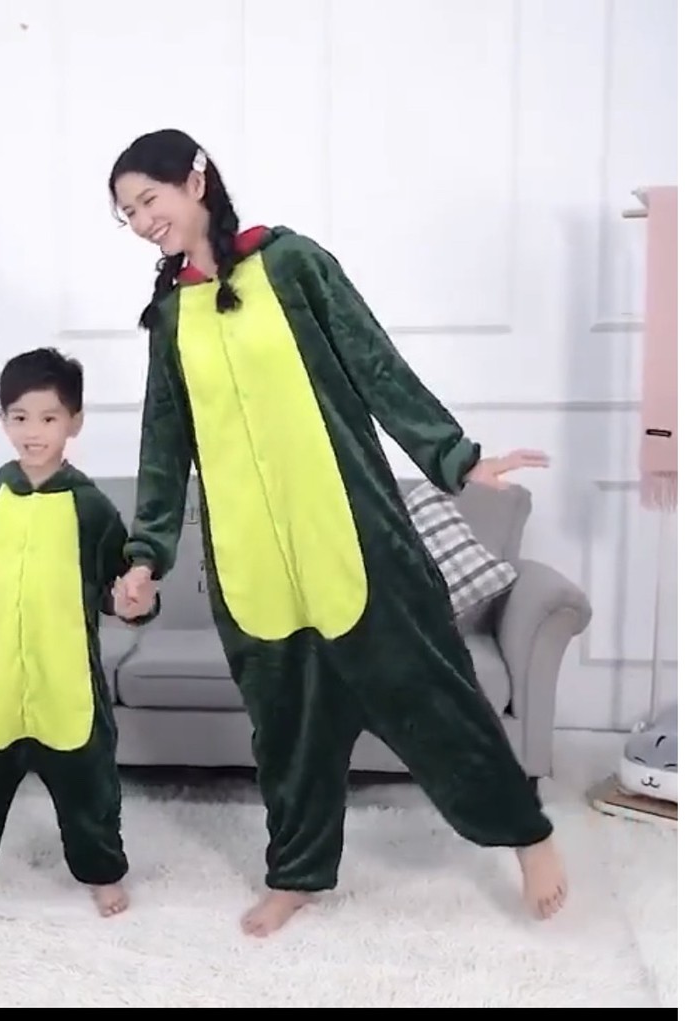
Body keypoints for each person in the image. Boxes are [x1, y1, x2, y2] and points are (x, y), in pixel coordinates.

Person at [107, 128, 568, 938]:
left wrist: (457, 458)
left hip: (353, 538)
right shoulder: (172, 314)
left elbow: (374, 364)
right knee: (287, 730)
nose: (143, 222)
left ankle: (528, 837)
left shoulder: (291, 264)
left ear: (196, 179)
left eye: (150, 200)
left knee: (433, 699)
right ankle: (297, 874)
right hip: (250, 563)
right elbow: (164, 444)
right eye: (128, 214)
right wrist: (148, 554)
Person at [0, 347, 157, 918]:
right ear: (3, 420)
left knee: (90, 789)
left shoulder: (91, 508)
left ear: (74, 422)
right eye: (20, 417)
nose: (33, 431)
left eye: (49, 418)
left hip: (65, 682)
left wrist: (134, 600)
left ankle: (102, 873)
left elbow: (114, 587)